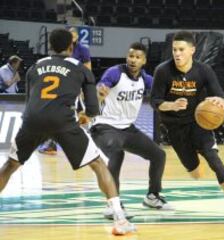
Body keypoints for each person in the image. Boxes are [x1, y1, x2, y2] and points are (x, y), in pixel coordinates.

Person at [0, 28, 135, 235]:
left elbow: (30, 102)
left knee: (10, 165)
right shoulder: (81, 68)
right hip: (62, 121)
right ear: (71, 47)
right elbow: (91, 110)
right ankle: (119, 218)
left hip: (32, 120)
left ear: (50, 46)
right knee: (98, 164)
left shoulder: (35, 67)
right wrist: (84, 116)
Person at [150, 31, 224, 227]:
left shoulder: (203, 70)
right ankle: (197, 155)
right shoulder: (163, 71)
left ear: (192, 50)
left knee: (215, 161)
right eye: (174, 50)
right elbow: (155, 101)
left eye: (181, 50)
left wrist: (219, 101)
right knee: (197, 174)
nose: (177, 54)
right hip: (175, 129)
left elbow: (220, 96)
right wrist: (171, 105)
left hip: (199, 124)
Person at [91, 42, 172, 219]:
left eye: (137, 57)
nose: (133, 60)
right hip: (104, 127)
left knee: (159, 155)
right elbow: (101, 87)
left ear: (144, 61)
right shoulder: (115, 72)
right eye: (131, 56)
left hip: (127, 129)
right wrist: (100, 92)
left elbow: (165, 89)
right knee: (116, 153)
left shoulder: (145, 79)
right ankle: (113, 204)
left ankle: (152, 196)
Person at [38, 27, 92, 155]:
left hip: (74, 86)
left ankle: (86, 142)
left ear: (77, 37)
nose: (72, 37)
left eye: (74, 35)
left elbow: (88, 69)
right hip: (61, 86)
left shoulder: (82, 50)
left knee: (79, 115)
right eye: (70, 35)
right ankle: (52, 144)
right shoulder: (62, 48)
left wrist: (84, 87)